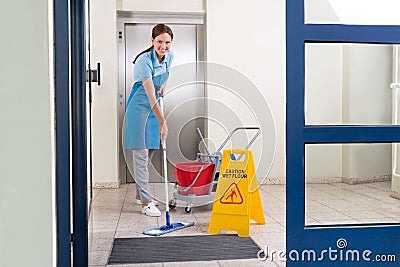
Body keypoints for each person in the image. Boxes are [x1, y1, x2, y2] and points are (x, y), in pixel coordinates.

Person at [124, 24, 174, 217]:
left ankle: (139, 194)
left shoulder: (170, 56)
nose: (163, 46)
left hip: (155, 105)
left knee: (151, 151)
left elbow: (165, 75)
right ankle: (146, 202)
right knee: (141, 154)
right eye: (159, 41)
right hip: (140, 107)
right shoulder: (144, 61)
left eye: (167, 42)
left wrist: (164, 86)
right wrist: (163, 122)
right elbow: (149, 95)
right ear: (152, 41)